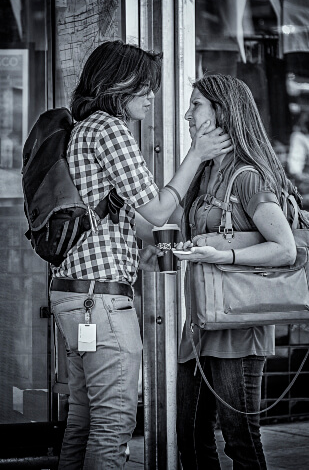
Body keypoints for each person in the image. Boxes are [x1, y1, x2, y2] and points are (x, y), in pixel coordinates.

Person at [49, 40, 232, 470]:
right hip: (102, 304)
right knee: (112, 427)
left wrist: (156, 245)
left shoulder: (82, 129)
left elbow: (133, 221)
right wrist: (197, 155)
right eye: (144, 87)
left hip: (75, 297)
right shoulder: (108, 129)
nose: (152, 96)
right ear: (118, 84)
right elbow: (156, 207)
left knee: (84, 421)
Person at [172, 74, 298, 469]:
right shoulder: (207, 172)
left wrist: (221, 257)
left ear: (222, 114)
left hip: (239, 329)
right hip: (201, 325)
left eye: (196, 106)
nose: (187, 114)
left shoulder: (247, 176)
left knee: (240, 442)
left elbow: (285, 249)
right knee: (190, 440)